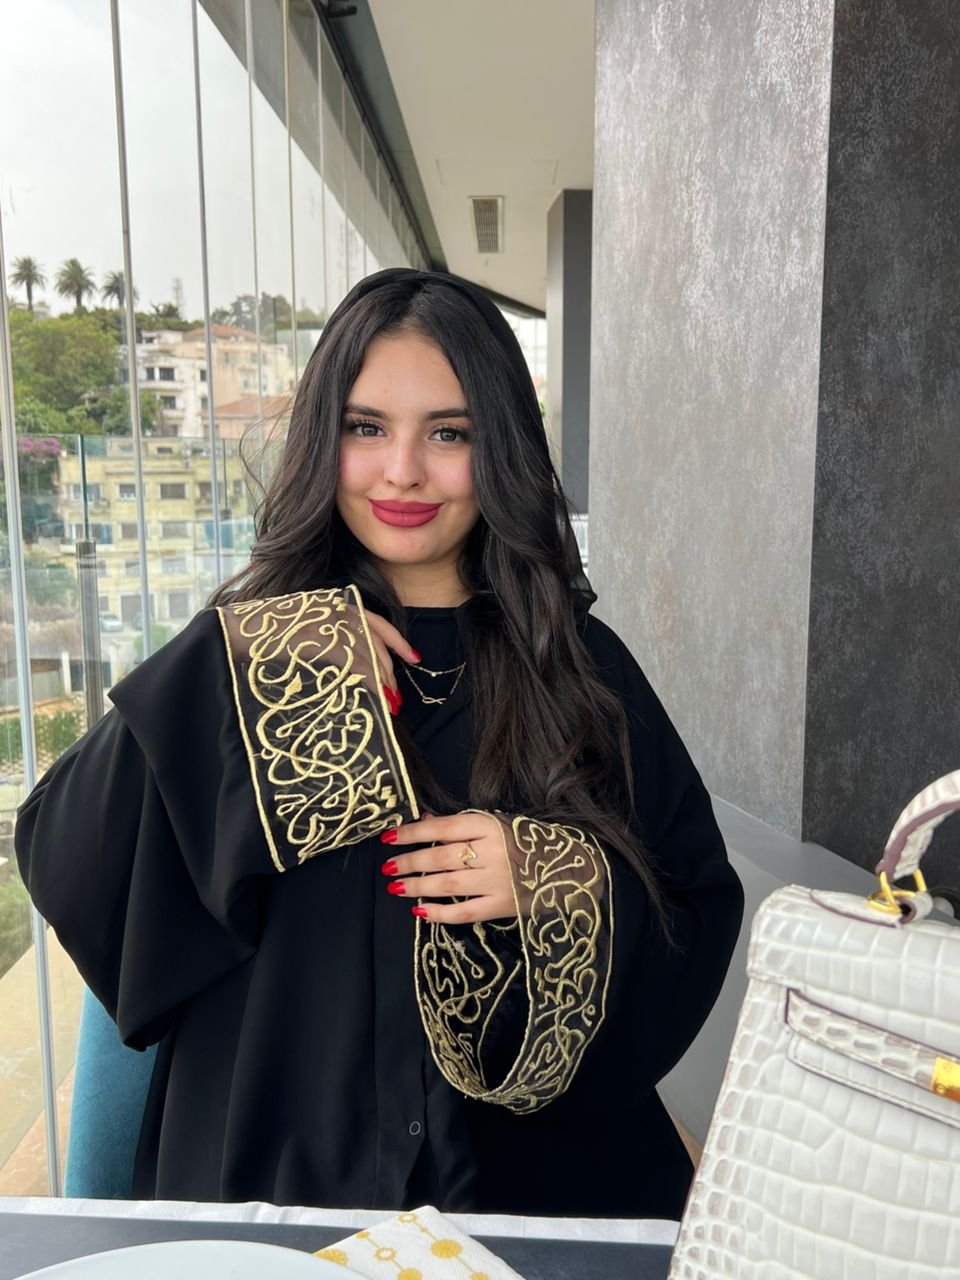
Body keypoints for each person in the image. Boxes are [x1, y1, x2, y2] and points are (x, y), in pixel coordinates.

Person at [16, 268, 743, 1217]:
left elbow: (695, 900)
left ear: (499, 449)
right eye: (366, 427)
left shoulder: (574, 665)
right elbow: (66, 850)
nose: (402, 471)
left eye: (449, 433)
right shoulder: (246, 651)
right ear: (324, 437)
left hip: (523, 1189)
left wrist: (557, 882)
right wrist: (254, 653)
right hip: (274, 1180)